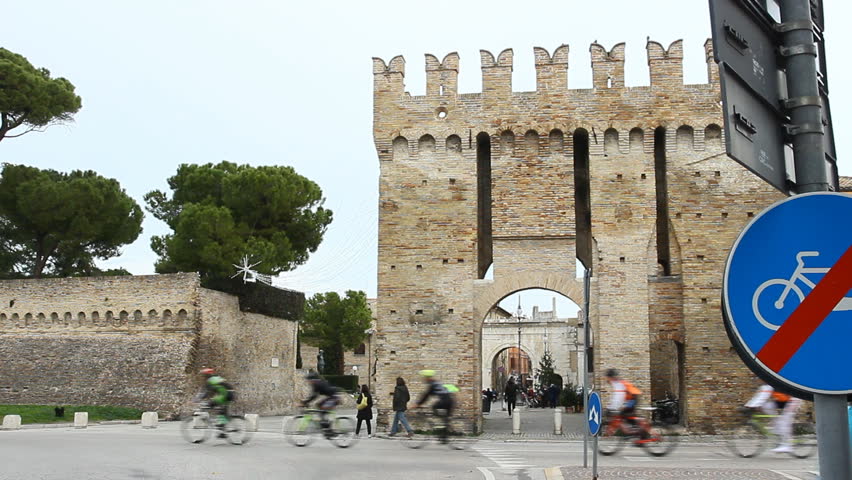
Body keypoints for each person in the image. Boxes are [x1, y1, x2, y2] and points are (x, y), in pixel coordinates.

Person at [745, 383, 802, 453]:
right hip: (781, 401)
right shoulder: (768, 384)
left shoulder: (771, 382)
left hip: (792, 400)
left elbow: (763, 396)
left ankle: (787, 445)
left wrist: (751, 406)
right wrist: (749, 405)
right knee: (766, 407)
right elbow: (761, 394)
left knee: (783, 422)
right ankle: (777, 428)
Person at [413, 370, 456, 443]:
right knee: (445, 420)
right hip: (450, 401)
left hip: (445, 401)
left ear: (427, 377)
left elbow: (426, 395)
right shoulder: (437, 383)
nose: (424, 379)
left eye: (424, 378)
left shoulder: (433, 384)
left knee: (434, 407)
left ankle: (442, 425)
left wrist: (418, 404)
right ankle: (444, 437)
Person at [197, 368, 235, 437]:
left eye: (203, 375)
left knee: (209, 405)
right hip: (229, 394)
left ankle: (221, 428)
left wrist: (198, 399)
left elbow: (206, 392)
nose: (203, 377)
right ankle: (222, 430)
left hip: (225, 395)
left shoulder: (210, 380)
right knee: (221, 411)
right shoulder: (216, 378)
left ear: (206, 375)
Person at [605, 369, 644, 435]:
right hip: (632, 398)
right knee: (626, 415)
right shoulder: (617, 382)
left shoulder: (617, 383)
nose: (606, 379)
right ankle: (636, 429)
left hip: (633, 398)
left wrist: (611, 408)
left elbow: (618, 397)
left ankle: (638, 431)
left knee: (623, 414)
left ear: (610, 377)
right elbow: (617, 397)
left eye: (607, 377)